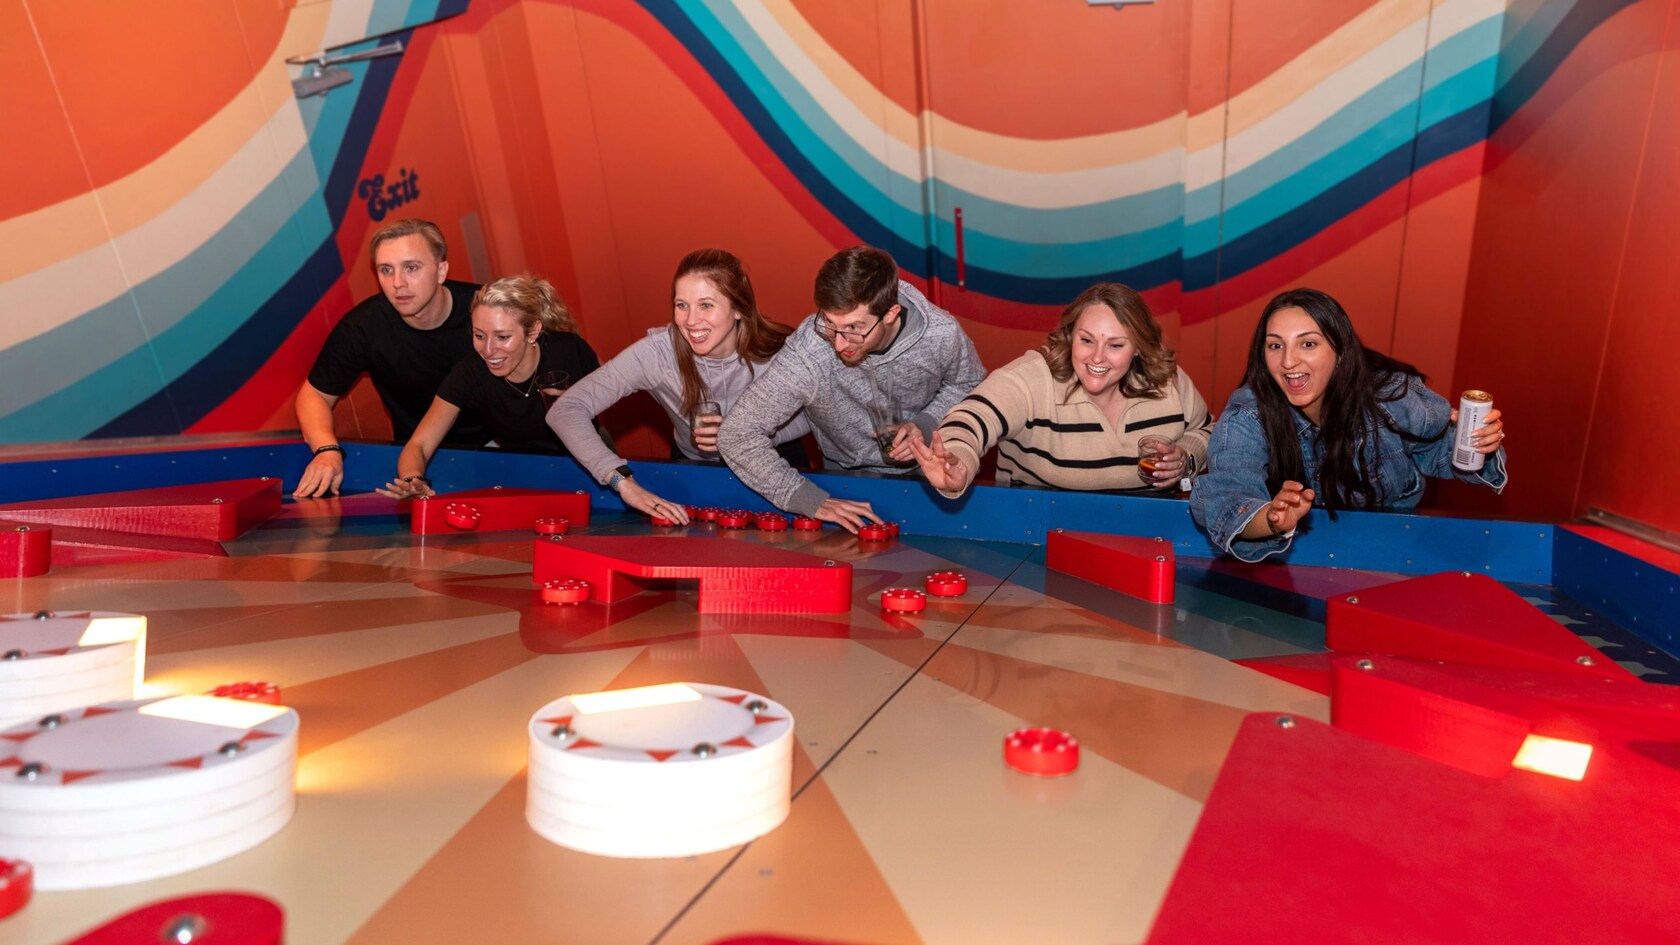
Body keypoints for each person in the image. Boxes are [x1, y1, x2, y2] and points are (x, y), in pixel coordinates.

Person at [1190, 287, 1508, 562]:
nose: (1288, 361)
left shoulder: (1390, 395)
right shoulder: (1248, 412)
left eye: (1308, 344)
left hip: (1392, 554)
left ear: (1340, 352)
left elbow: (1446, 454)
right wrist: (1273, 520)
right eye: (1276, 345)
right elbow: (1227, 497)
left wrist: (1481, 441)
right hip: (1293, 562)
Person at [717, 245, 986, 532]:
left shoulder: (941, 334)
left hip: (930, 480)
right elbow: (737, 434)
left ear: (890, 313)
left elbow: (970, 384)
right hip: (843, 481)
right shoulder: (809, 352)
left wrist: (927, 422)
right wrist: (810, 500)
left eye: (855, 328)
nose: (839, 343)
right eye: (830, 323)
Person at [547, 249, 810, 523]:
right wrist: (622, 481)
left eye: (706, 305)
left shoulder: (780, 350)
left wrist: (751, 434)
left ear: (739, 310)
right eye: (682, 305)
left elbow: (815, 415)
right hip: (695, 469)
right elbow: (565, 410)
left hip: (777, 462)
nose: (691, 320)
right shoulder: (657, 354)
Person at [909, 282, 1210, 497]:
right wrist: (957, 463)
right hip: (1038, 531)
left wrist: (1186, 458)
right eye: (1087, 340)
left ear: (1139, 349)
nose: (1097, 357)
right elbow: (971, 419)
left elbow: (1208, 431)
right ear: (1069, 336)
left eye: (1116, 345)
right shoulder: (1032, 378)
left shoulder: (1169, 382)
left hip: (1146, 532)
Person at [294, 219, 490, 497]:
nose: (398, 283)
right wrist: (327, 450)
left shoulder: (487, 310)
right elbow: (314, 395)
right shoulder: (363, 328)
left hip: (497, 450)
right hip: (412, 460)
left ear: (441, 270)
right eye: (386, 270)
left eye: (411, 267)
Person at [378, 275, 599, 497]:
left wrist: (578, 405)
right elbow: (419, 444)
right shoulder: (470, 373)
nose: (488, 350)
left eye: (503, 337)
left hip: (586, 459)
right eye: (479, 336)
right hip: (522, 470)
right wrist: (413, 479)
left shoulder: (570, 350)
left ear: (532, 332)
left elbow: (609, 402)